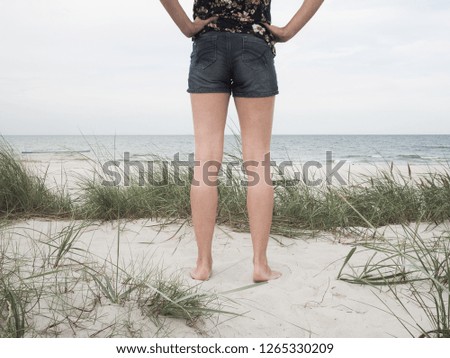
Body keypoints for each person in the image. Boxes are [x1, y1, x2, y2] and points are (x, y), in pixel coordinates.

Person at [160, 0, 324, 282]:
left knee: (205, 161)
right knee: (258, 162)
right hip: (255, 43)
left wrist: (187, 26)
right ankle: (260, 265)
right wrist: (287, 32)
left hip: (208, 44)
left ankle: (203, 264)